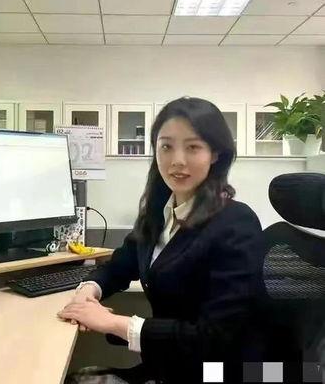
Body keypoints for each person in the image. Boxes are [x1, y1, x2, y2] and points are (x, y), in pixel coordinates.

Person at [58, 97, 266, 384]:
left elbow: (215, 337)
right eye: (166, 146)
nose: (177, 160)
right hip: (170, 368)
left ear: (215, 154)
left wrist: (113, 323)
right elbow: (121, 265)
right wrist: (89, 290)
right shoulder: (160, 212)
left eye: (193, 147)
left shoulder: (236, 224)